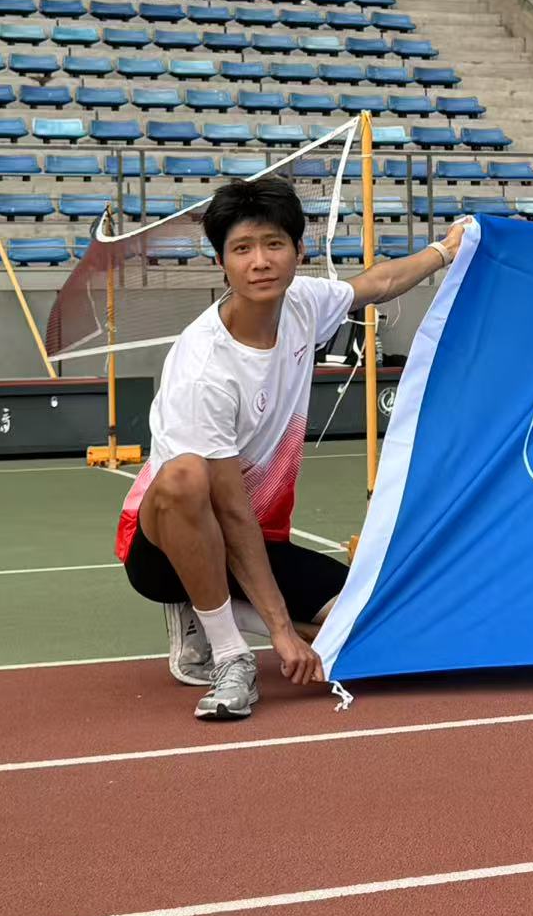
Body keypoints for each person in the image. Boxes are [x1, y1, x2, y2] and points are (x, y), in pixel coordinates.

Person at [115, 176, 467, 720]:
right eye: (242, 249)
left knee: (364, 629)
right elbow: (230, 509)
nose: (260, 262)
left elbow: (377, 283)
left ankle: (211, 607)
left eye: (273, 244)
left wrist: (445, 250)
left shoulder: (304, 302)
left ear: (298, 251)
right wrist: (279, 631)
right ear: (221, 262)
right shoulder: (204, 368)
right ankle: (229, 654)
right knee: (185, 476)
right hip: (166, 548)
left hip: (257, 540)